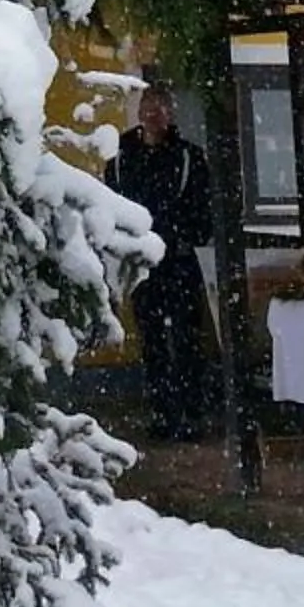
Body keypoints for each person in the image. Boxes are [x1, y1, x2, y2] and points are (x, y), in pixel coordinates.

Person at [107, 84, 220, 442]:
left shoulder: (188, 157)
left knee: (187, 338)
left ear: (170, 114)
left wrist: (185, 235)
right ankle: (162, 411)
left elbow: (203, 208)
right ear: (140, 113)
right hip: (143, 264)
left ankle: (191, 412)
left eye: (161, 109)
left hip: (180, 260)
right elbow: (112, 206)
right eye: (148, 108)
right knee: (153, 339)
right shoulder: (121, 159)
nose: (154, 115)